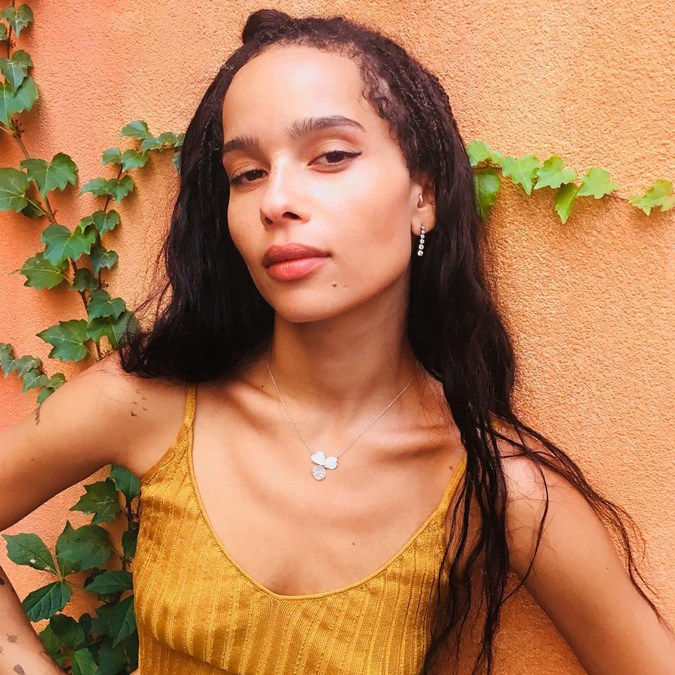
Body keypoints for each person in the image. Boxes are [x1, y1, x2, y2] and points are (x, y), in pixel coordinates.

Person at [1, 8, 673, 675]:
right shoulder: (145, 402)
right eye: (247, 173)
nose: (275, 201)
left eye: (331, 156)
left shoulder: (494, 482)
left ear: (424, 195)